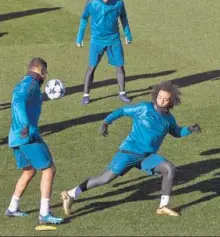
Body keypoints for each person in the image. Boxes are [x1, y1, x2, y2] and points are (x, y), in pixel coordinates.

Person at [60, 81, 201, 217]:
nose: (161, 101)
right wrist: (106, 122)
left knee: (169, 168)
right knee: (105, 178)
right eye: (159, 97)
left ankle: (163, 206)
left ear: (171, 101)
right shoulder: (144, 108)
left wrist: (189, 129)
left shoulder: (169, 119)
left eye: (165, 99)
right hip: (128, 153)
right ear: (155, 96)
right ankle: (71, 194)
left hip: (147, 157)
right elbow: (123, 110)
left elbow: (176, 132)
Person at [4, 57, 64, 225]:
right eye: (46, 72)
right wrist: (25, 125)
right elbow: (18, 101)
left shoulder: (28, 83)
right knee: (49, 169)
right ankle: (44, 213)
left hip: (16, 137)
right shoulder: (29, 85)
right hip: (27, 135)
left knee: (29, 171)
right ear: (42, 71)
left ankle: (12, 207)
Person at [76, 0, 133, 105]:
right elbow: (84, 18)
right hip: (97, 41)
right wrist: (79, 37)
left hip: (114, 39)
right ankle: (86, 95)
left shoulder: (118, 2)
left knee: (120, 66)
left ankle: (122, 93)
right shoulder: (91, 3)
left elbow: (123, 17)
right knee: (92, 67)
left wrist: (127, 34)